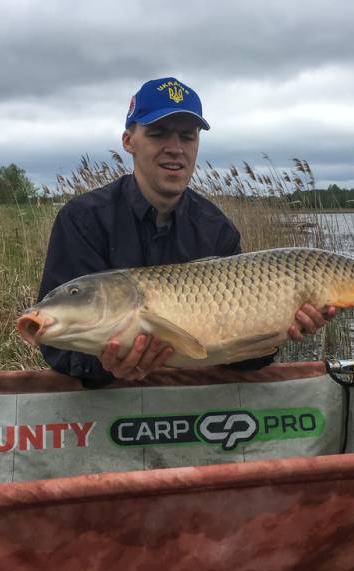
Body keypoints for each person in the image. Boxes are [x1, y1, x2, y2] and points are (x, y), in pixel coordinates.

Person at [37, 76, 334, 388]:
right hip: (109, 407)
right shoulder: (83, 219)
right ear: (129, 141)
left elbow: (243, 359)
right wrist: (107, 365)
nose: (175, 149)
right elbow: (57, 347)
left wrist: (283, 329)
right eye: (158, 134)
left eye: (187, 136)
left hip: (193, 409)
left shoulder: (217, 230)